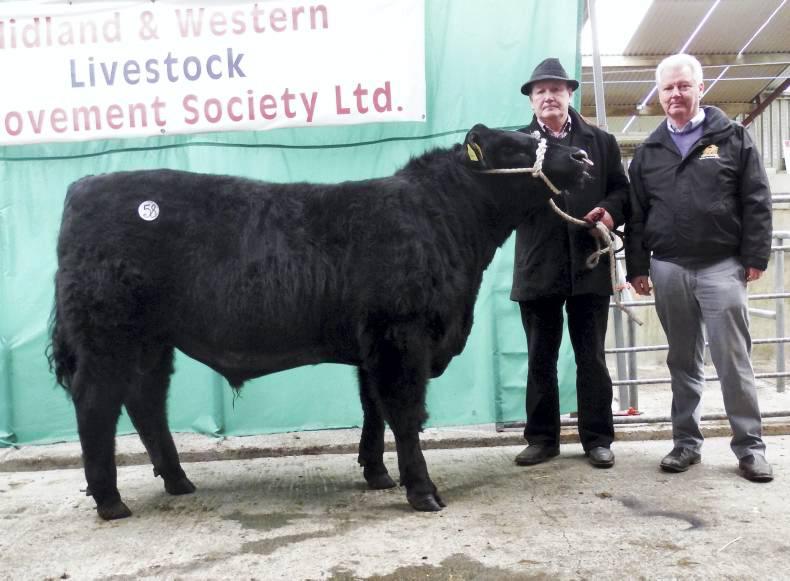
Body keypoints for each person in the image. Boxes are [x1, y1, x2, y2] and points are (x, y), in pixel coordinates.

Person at [625, 53, 774, 482]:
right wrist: (638, 267)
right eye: (668, 87)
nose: (675, 94)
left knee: (733, 360)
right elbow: (637, 216)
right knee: (682, 361)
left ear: (699, 89)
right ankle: (685, 443)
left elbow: (757, 199)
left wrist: (754, 256)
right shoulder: (649, 151)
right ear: (659, 94)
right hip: (668, 267)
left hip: (720, 267)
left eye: (683, 86)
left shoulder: (733, 138)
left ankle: (749, 448)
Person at [511, 58, 629, 468]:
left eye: (556, 90)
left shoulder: (601, 142)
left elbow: (621, 192)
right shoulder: (517, 145)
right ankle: (542, 439)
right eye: (540, 91)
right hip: (538, 264)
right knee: (540, 355)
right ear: (531, 101)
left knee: (591, 355)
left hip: (588, 262)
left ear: (569, 95)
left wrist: (609, 212)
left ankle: (598, 438)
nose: (549, 97)